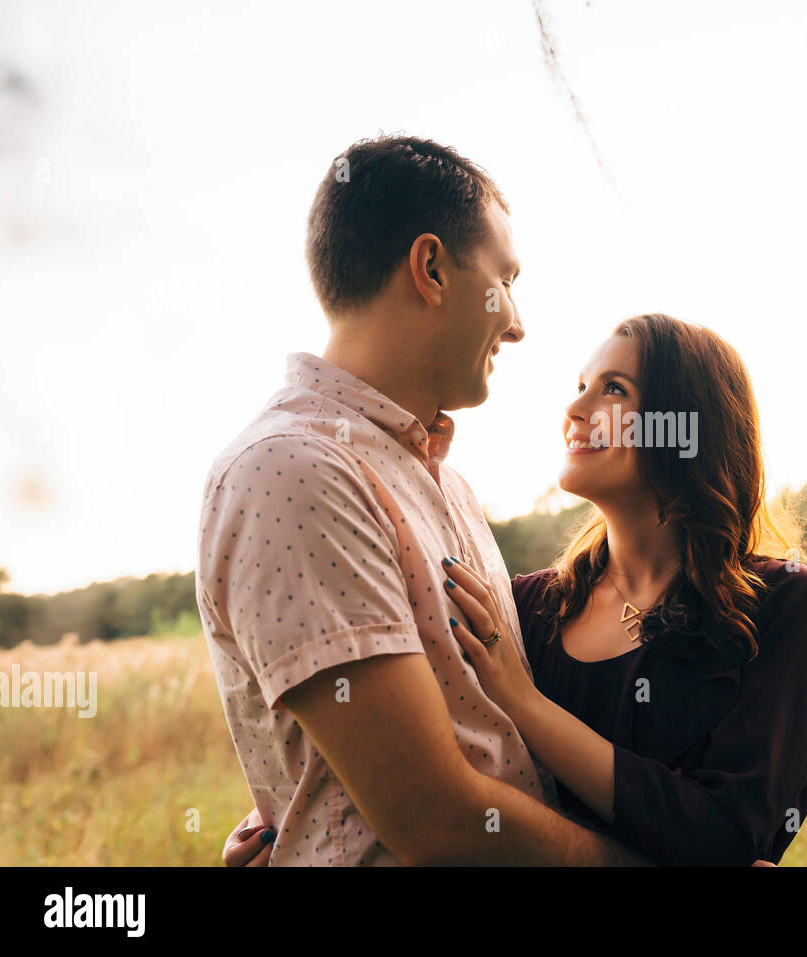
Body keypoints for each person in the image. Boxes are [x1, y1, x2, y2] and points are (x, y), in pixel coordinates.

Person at [221, 309, 807, 866]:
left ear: (682, 424)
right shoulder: (524, 605)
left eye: (612, 389)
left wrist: (527, 703)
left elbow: (727, 836)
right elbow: (428, 756)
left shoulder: (782, 605)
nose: (575, 408)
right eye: (580, 384)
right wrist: (286, 827)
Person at [197, 134, 649, 865]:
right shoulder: (294, 470)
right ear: (431, 268)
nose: (518, 321)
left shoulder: (445, 485)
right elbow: (436, 818)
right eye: (505, 279)